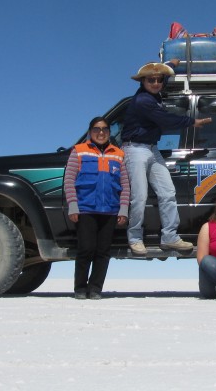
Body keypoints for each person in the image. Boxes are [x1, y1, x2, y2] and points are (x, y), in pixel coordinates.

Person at [121, 62, 212, 255]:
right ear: (142, 82)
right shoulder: (143, 101)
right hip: (135, 149)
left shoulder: (155, 94)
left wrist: (171, 64)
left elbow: (162, 72)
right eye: (150, 80)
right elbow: (166, 120)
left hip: (152, 149)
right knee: (139, 196)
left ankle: (169, 236)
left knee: (168, 192)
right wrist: (192, 122)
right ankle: (135, 237)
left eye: (159, 79)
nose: (155, 83)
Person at [62, 117, 129, 300]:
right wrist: (73, 206)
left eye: (105, 129)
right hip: (85, 209)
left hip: (110, 211)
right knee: (86, 249)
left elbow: (124, 184)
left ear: (109, 131)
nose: (101, 133)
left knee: (103, 251)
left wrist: (123, 209)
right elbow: (69, 180)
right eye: (97, 129)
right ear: (90, 131)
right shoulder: (79, 151)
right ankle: (80, 288)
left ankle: (96, 289)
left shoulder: (118, 154)